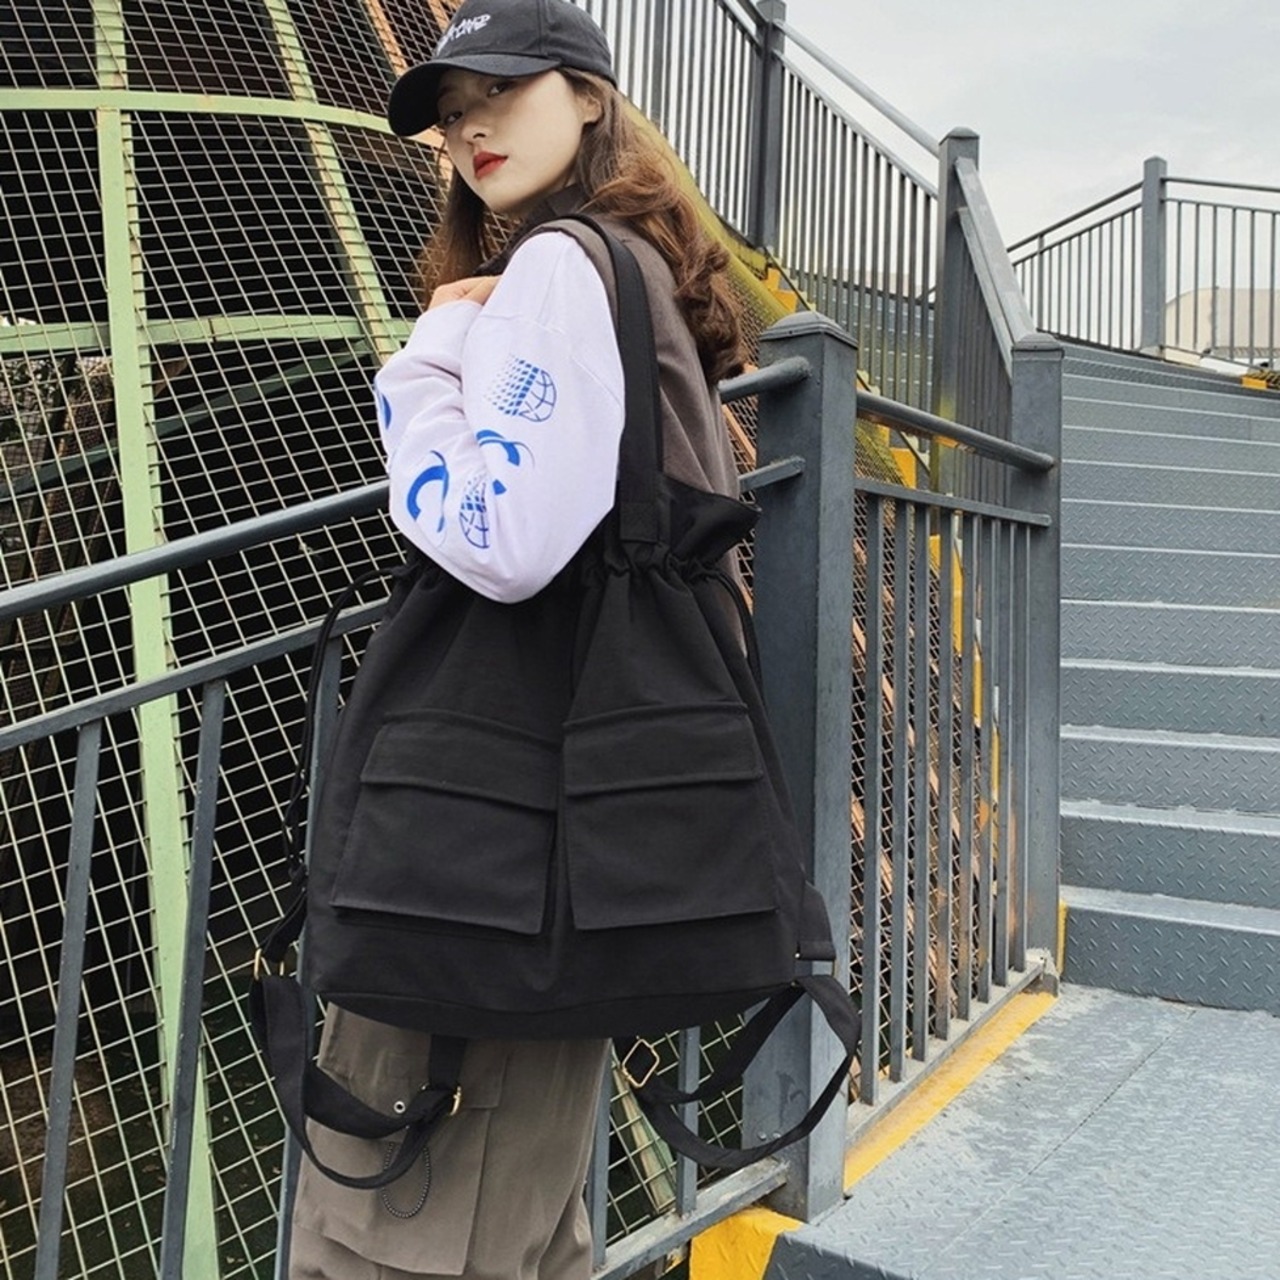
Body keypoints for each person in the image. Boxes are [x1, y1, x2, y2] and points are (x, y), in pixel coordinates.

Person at [287, 1, 745, 1276]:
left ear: (589, 94)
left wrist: (428, 360)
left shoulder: (557, 266)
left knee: (395, 1225)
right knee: (526, 1222)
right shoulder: (640, 262)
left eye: (499, 90)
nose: (467, 127)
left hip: (492, 838)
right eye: (450, 110)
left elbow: (503, 539)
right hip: (576, 824)